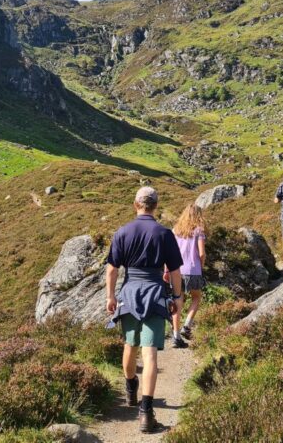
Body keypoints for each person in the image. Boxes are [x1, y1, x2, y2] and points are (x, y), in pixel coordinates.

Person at [106, 186, 184, 434]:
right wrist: (177, 297)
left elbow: (112, 269)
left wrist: (110, 296)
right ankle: (146, 413)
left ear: (135, 204)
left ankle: (130, 390)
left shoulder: (122, 232)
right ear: (155, 206)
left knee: (130, 345)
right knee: (150, 354)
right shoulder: (164, 233)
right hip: (154, 294)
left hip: (129, 294)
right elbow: (174, 272)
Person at [167, 204, 208, 348]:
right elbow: (202, 253)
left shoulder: (175, 231)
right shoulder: (199, 231)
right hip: (193, 270)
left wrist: (166, 270)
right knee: (196, 297)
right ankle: (187, 326)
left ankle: (176, 336)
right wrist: (201, 266)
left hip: (176, 270)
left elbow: (169, 253)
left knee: (177, 302)